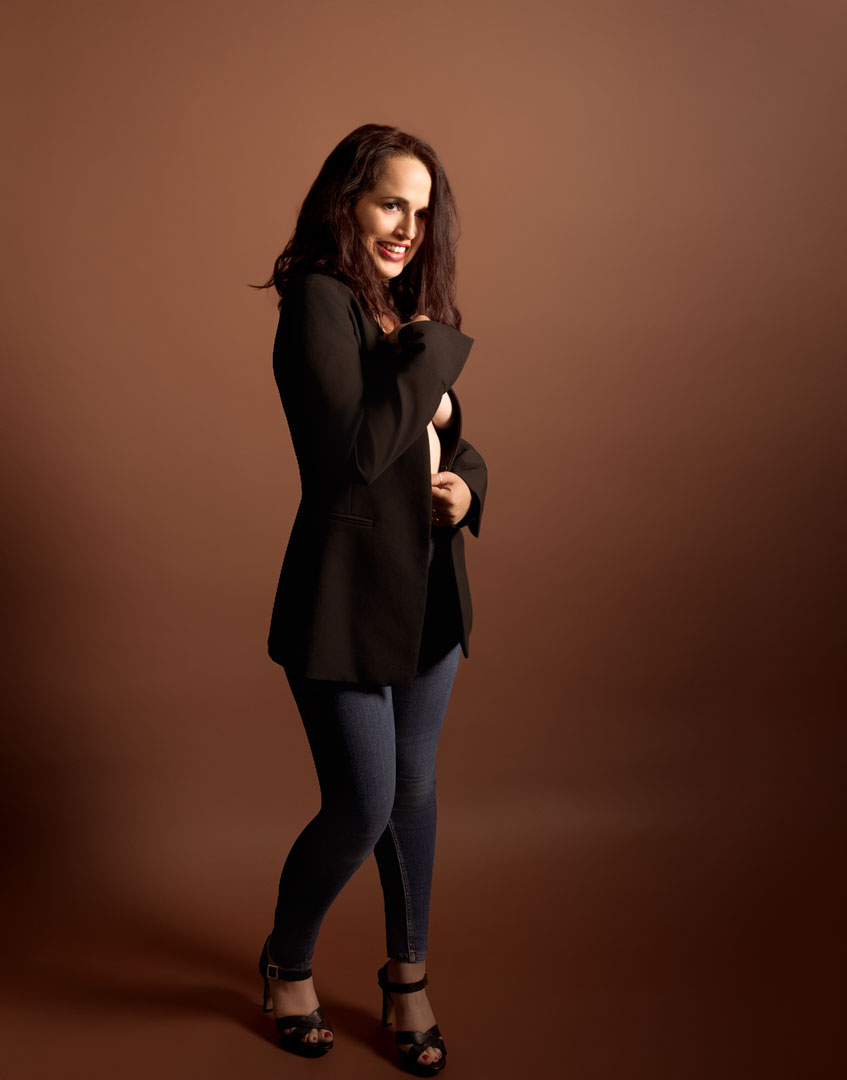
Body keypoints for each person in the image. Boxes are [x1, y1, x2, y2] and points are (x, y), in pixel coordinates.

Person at [255, 124, 487, 1076]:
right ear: (347, 201)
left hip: (428, 593)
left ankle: (407, 977)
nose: (408, 229)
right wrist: (430, 351)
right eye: (392, 203)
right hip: (345, 602)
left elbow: (446, 446)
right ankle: (286, 963)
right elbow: (353, 456)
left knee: (416, 794)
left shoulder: (399, 313)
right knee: (363, 801)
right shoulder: (317, 301)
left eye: (422, 213)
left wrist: (469, 486)